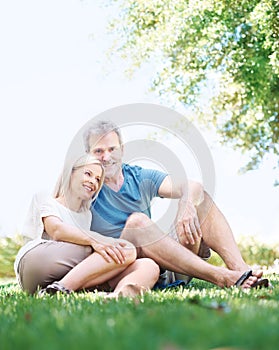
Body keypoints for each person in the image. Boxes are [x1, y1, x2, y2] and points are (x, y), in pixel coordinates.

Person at [82, 120, 269, 289]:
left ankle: (242, 271)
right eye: (98, 151)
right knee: (137, 223)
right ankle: (221, 277)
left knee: (199, 199)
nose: (106, 157)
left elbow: (192, 185)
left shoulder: (137, 176)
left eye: (112, 149)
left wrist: (185, 206)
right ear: (88, 154)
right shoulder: (84, 185)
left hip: (171, 265)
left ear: (122, 149)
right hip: (130, 269)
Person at [14, 154, 160, 297]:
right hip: (35, 263)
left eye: (97, 179)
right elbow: (57, 230)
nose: (93, 182)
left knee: (149, 265)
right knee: (126, 249)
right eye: (88, 174)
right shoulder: (46, 198)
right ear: (71, 173)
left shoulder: (87, 216)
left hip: (61, 274)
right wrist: (96, 240)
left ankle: (118, 295)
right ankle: (61, 288)